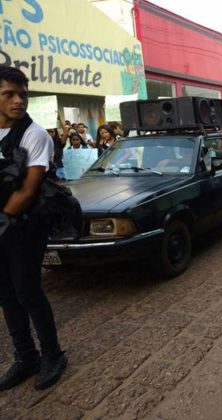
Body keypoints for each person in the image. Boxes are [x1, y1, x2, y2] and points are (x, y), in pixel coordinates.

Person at [0, 66, 67, 391]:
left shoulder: (34, 134)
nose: (18, 101)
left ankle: (53, 355)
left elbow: (28, 190)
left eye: (23, 95)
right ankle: (26, 357)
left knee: (28, 291)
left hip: (25, 226)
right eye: (9, 94)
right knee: (6, 294)